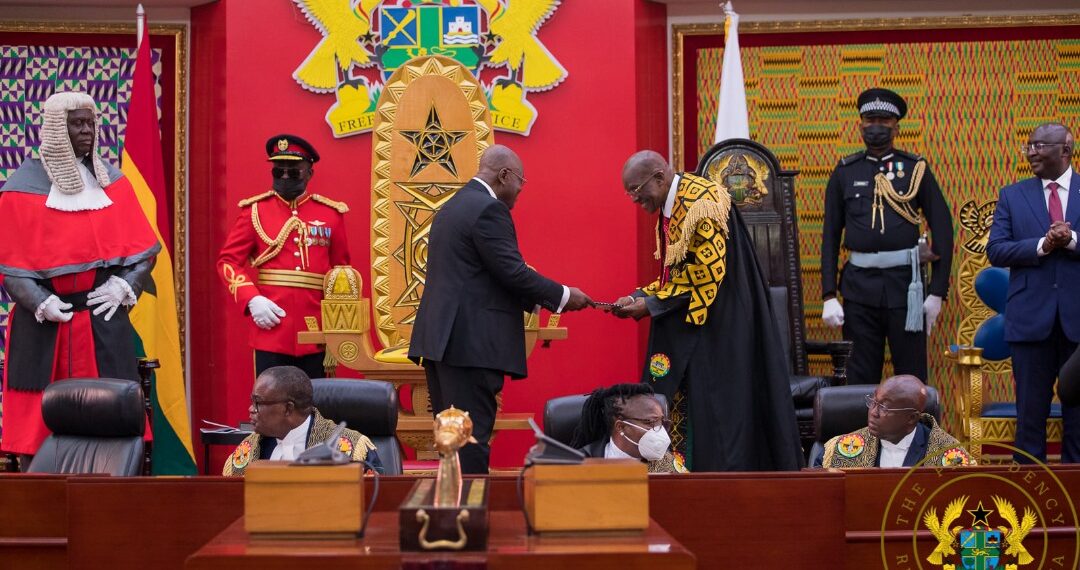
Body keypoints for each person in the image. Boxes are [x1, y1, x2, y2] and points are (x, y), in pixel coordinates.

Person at [610, 150, 802, 472]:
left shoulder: (703, 201)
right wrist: (640, 295)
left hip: (722, 327)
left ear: (659, 177)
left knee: (718, 411)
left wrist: (652, 304)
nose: (633, 198)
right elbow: (676, 275)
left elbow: (708, 275)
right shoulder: (673, 203)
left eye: (636, 189)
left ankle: (714, 482)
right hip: (698, 322)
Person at [408, 145, 593, 474]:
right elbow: (513, 272)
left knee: (453, 437)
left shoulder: (452, 207)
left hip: (442, 344)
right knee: (471, 438)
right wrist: (564, 296)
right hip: (469, 348)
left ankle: (453, 509)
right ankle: (470, 516)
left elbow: (484, 276)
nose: (521, 190)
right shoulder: (488, 210)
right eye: (520, 181)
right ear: (504, 174)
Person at [0, 91, 160, 466]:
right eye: (77, 123)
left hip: (102, 318)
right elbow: (11, 266)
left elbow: (143, 254)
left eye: (91, 122)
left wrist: (125, 285)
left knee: (112, 416)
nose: (87, 130)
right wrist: (38, 301)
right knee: (37, 427)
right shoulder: (19, 190)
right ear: (56, 129)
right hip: (45, 325)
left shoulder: (114, 184)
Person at [820, 88, 954, 385]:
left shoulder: (915, 169)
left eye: (884, 120)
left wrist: (937, 293)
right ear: (860, 125)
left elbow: (943, 230)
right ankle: (863, 434)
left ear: (897, 127)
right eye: (870, 119)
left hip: (907, 288)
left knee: (911, 376)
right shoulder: (844, 171)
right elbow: (829, 237)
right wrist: (829, 295)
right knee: (859, 377)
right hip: (858, 289)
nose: (876, 126)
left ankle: (915, 433)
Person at [217, 134, 350, 379]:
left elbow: (342, 273)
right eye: (279, 172)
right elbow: (228, 262)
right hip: (271, 328)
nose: (286, 177)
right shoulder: (254, 211)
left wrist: (337, 326)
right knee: (270, 406)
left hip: (316, 330)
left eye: (294, 172)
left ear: (310, 173)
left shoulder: (331, 214)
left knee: (315, 406)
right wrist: (251, 299)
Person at [987, 122, 1080, 464]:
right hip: (1030, 322)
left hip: (1077, 322)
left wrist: (1070, 241)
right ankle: (1030, 507)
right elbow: (996, 250)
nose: (1031, 152)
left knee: (1079, 422)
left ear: (1066, 150)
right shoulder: (1013, 194)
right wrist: (1043, 244)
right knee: (1030, 421)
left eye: (1040, 145)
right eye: (1029, 145)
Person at [223, 365, 381, 475]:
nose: (251, 409)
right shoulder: (248, 451)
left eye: (258, 403)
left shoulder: (352, 450)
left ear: (288, 409)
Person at [817, 375, 972, 468]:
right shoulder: (841, 449)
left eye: (883, 407)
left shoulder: (949, 456)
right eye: (873, 401)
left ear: (911, 418)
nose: (873, 413)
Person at [569, 383, 685, 473]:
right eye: (650, 422)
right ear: (621, 427)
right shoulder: (581, 463)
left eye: (662, 422)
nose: (660, 430)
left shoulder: (664, 462)